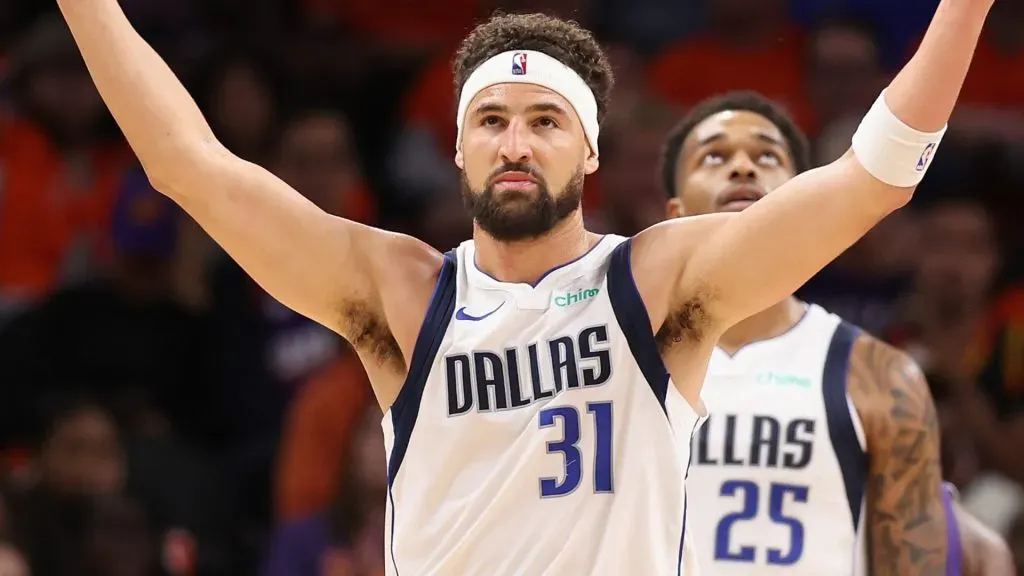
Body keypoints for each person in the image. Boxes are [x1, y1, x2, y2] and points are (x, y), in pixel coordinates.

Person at [57, 0, 991, 571]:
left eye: (545, 120)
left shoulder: (657, 282)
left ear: (589, 151)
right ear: (457, 148)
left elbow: (874, 179)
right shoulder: (401, 292)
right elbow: (189, 166)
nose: (515, 142)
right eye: (492, 120)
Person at [661, 91, 1013, 575]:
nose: (743, 167)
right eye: (714, 156)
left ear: (804, 199)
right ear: (675, 212)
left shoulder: (879, 375)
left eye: (767, 156)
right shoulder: (620, 355)